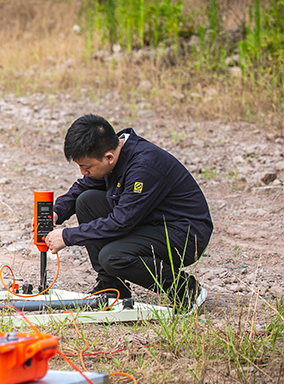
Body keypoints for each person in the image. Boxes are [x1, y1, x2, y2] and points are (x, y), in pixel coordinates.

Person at [43, 114, 212, 312]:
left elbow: (121, 222)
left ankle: (186, 290)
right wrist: (56, 212)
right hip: (150, 221)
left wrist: (67, 236)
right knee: (87, 201)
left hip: (183, 234)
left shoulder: (144, 167)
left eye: (85, 166)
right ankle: (113, 288)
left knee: (113, 257)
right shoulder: (115, 154)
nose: (82, 172)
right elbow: (83, 187)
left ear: (108, 157)